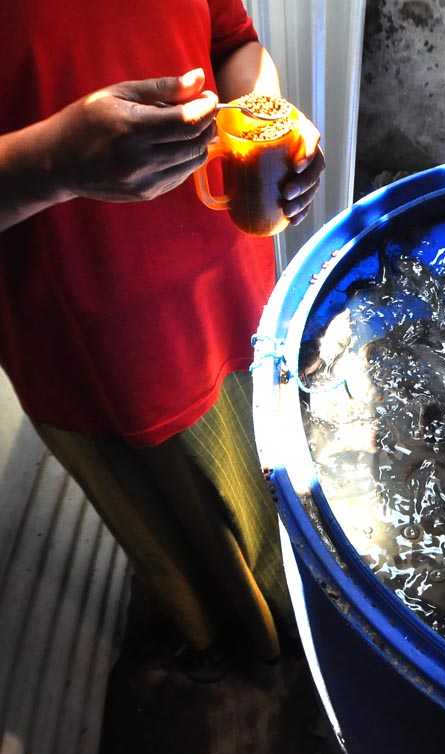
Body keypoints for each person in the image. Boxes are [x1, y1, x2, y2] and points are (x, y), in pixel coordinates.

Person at [0, 1, 327, 676]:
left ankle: (290, 614)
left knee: (269, 474)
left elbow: (233, 42)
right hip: (93, 341)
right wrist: (53, 162)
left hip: (232, 281)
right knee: (178, 530)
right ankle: (226, 642)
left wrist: (272, 125)